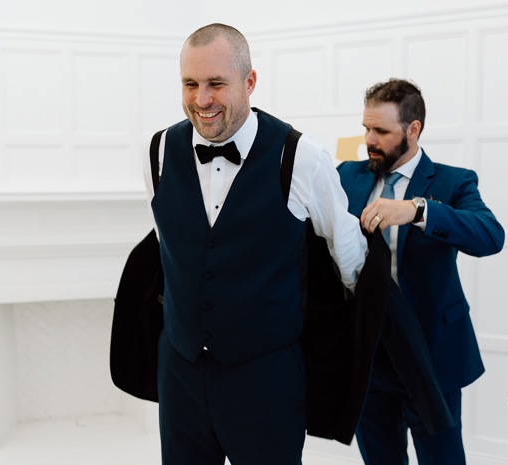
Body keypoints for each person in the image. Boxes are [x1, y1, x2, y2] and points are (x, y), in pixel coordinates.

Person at [140, 23, 368, 465]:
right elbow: (169, 248)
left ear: (249, 82)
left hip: (267, 378)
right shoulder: (158, 152)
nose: (201, 99)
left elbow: (347, 253)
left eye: (216, 84)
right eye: (190, 84)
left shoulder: (300, 157)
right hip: (181, 373)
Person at [337, 78, 505, 465]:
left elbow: (490, 236)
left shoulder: (454, 181)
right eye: (366, 128)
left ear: (413, 129)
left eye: (381, 130)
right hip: (368, 355)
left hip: (431, 354)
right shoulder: (346, 174)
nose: (369, 139)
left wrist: (418, 210)